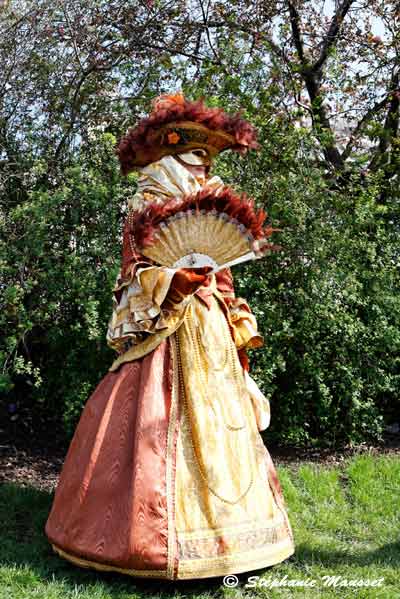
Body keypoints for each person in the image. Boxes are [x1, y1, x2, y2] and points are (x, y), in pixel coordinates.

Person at [45, 92, 295, 580]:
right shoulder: (148, 202)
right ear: (170, 155)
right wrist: (173, 283)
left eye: (208, 160)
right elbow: (135, 269)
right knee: (147, 431)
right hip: (164, 329)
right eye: (193, 159)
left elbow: (224, 274)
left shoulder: (208, 199)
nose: (202, 169)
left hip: (209, 329)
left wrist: (235, 320)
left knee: (222, 426)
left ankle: (235, 536)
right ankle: (140, 540)